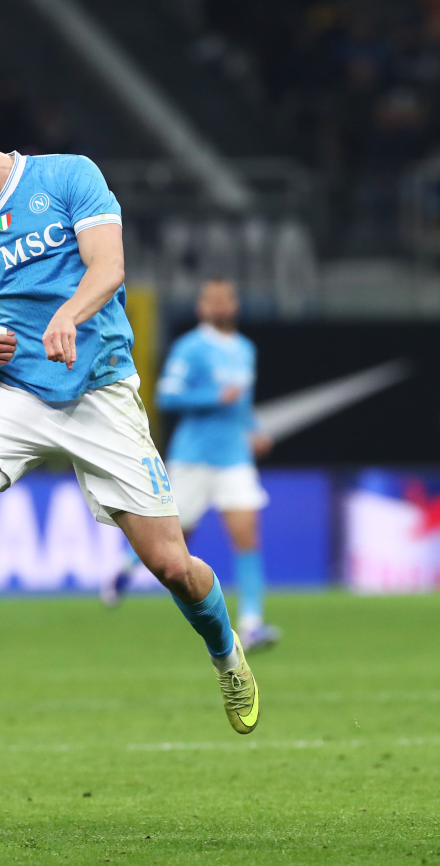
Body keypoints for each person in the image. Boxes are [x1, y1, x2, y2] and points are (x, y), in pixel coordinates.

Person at [0, 100, 261, 740]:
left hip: (100, 392)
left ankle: (227, 655)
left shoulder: (69, 175)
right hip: (15, 394)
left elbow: (110, 267)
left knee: (173, 567)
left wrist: (67, 314)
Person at [153, 278, 280, 652]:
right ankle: (124, 571)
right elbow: (166, 396)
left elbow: (241, 404)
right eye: (213, 300)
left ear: (235, 304)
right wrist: (212, 396)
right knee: (174, 543)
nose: (221, 306)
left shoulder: (245, 349)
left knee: (247, 536)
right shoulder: (190, 347)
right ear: (202, 306)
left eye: (226, 299)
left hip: (234, 458)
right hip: (192, 457)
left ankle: (251, 624)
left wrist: (253, 429)